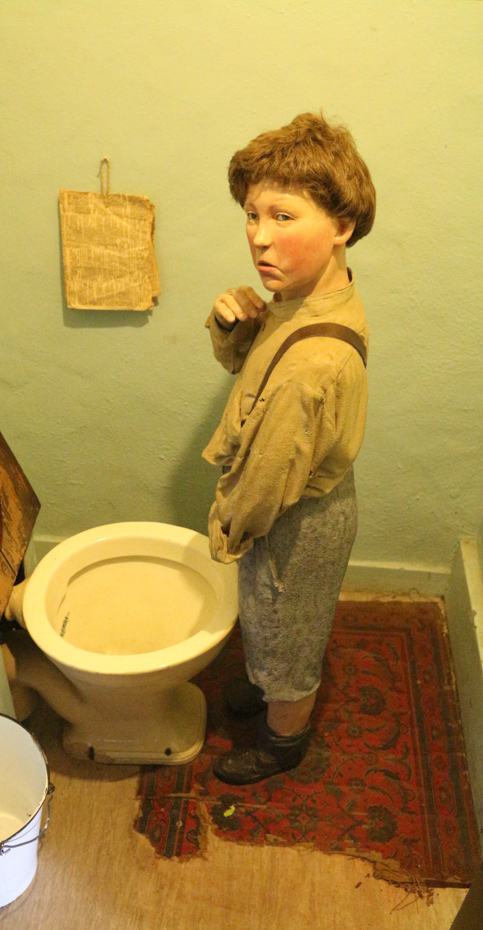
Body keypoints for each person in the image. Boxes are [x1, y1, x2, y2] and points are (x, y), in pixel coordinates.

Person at [203, 112, 376, 785]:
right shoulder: (305, 296)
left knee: (287, 631)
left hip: (294, 518)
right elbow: (252, 374)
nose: (257, 238)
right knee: (270, 616)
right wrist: (232, 328)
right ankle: (263, 679)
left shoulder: (313, 367)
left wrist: (229, 532)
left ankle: (283, 740)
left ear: (342, 226)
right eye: (251, 214)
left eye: (282, 216)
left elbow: (263, 483)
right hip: (304, 501)